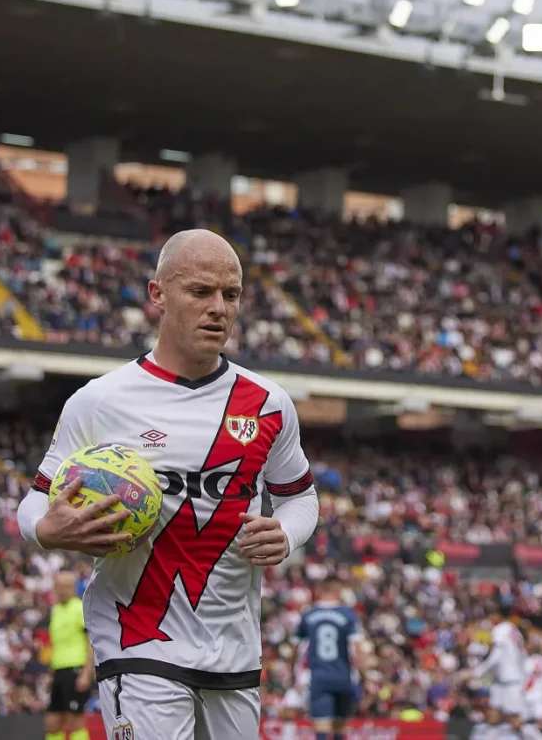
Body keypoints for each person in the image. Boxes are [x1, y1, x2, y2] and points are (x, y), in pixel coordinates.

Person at [18, 229, 319, 739]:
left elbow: (301, 498)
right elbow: (33, 503)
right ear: (158, 295)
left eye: (231, 295)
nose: (218, 308)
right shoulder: (101, 401)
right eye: (200, 292)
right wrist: (50, 530)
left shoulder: (268, 404)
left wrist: (286, 534)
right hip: (138, 640)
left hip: (233, 647)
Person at [295, 578, 362, 740]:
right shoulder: (347, 614)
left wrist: (295, 676)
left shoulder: (309, 614)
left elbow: (296, 647)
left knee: (321, 727)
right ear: (339, 591)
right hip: (343, 676)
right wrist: (362, 674)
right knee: (340, 726)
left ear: (320, 590)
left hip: (319, 676)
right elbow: (357, 648)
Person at [47, 571, 95, 740]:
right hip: (58, 670)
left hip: (76, 668)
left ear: (74, 588)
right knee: (52, 723)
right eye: (59, 586)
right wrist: (51, 672)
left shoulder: (79, 607)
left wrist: (86, 673)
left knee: (76, 721)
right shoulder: (55, 610)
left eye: (67, 586)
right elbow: (55, 644)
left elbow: (91, 641)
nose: (63, 590)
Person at [473, 612, 528, 737]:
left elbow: (497, 656)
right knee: (494, 712)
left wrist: (479, 671)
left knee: (514, 717)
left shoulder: (501, 629)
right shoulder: (513, 629)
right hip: (503, 680)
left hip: (510, 681)